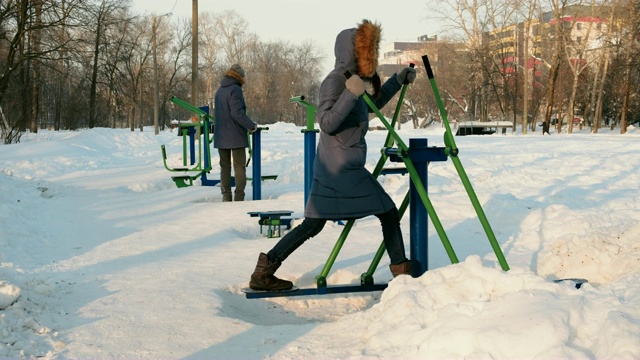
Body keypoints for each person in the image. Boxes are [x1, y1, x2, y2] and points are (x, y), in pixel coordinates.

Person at [249, 19, 417, 291]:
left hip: (333, 166)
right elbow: (325, 122)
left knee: (313, 224)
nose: (368, 58)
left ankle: (264, 270)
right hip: (342, 169)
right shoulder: (335, 81)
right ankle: (401, 270)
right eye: (364, 52)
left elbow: (371, 104)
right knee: (387, 210)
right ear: (351, 53)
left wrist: (397, 81)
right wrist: (350, 95)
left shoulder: (354, 81)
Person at [213, 64, 257, 202]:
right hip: (235, 134)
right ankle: (239, 197)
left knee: (224, 167)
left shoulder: (219, 90)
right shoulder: (235, 90)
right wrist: (251, 126)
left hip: (221, 134)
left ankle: (226, 196)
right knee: (239, 167)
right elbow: (237, 113)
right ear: (239, 77)